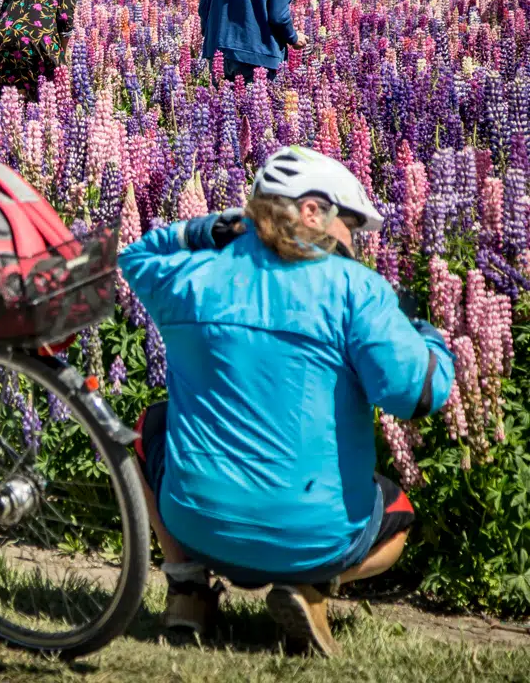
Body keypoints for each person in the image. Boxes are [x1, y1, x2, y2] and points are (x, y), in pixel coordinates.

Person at [119, 146, 456, 656]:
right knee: (398, 515)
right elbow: (418, 395)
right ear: (313, 211)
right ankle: (310, 586)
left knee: (150, 428)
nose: (354, 243)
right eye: (349, 225)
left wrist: (208, 228)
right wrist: (423, 335)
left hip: (198, 524)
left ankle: (187, 590)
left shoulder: (190, 279)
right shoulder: (356, 288)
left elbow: (135, 257)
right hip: (317, 538)